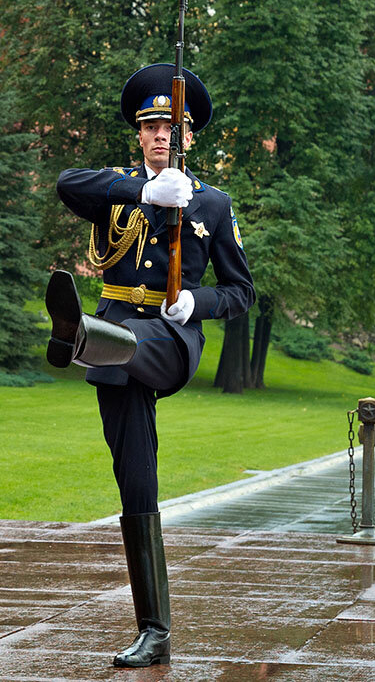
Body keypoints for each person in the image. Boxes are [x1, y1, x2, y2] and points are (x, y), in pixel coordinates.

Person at [46, 63, 254, 668]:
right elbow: (66, 183)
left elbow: (242, 291)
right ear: (138, 135)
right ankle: (154, 629)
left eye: (171, 127)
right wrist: (141, 192)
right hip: (118, 350)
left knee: (136, 338)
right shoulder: (115, 190)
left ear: (187, 137)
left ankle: (79, 335)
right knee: (135, 479)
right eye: (150, 127)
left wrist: (200, 300)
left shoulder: (212, 203)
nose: (160, 135)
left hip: (169, 339)